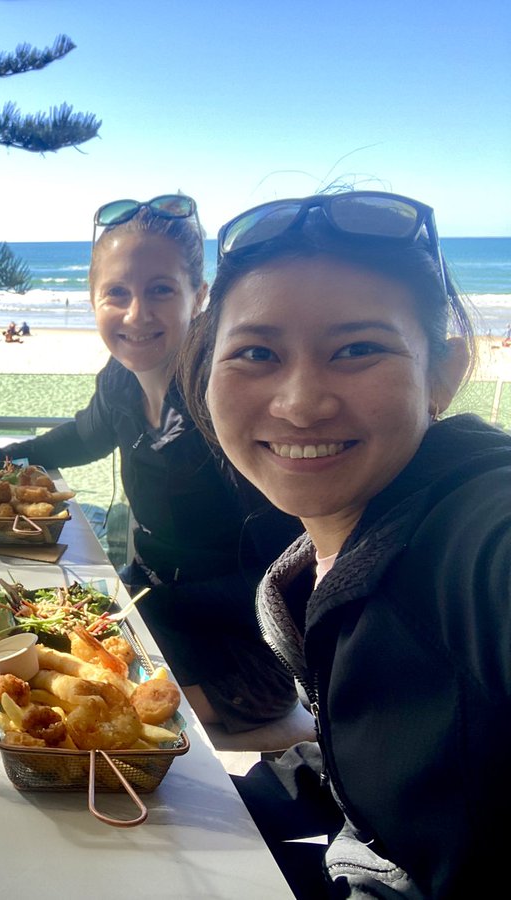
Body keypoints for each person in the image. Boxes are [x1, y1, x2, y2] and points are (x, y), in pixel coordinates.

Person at [180, 190, 507, 898]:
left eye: (358, 349)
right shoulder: (326, 560)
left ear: (443, 374)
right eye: (257, 353)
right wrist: (204, 806)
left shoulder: (477, 533)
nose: (301, 403)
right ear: (206, 378)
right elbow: (376, 750)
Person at [0, 195, 300, 732]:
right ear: (93, 299)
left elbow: (286, 562)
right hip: (147, 604)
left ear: (199, 297)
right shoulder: (122, 377)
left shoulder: (223, 397)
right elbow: (86, 435)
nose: (136, 314)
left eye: (160, 290)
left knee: (73, 721)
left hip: (237, 655)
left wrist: (147, 608)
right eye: (117, 293)